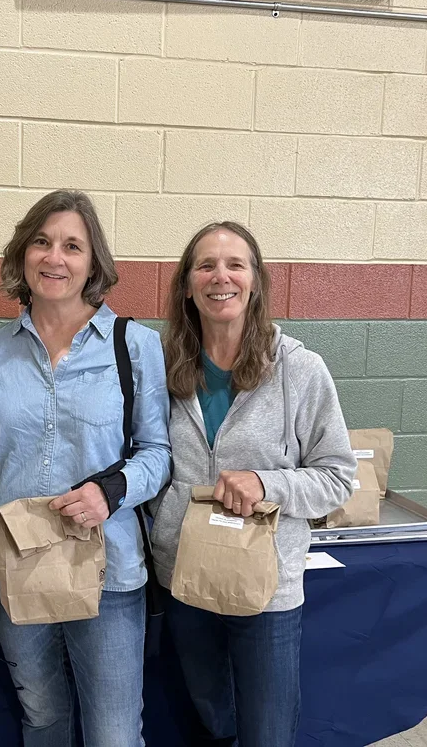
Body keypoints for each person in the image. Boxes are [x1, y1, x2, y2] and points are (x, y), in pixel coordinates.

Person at [0, 190, 172, 747]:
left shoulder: (135, 346)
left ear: (93, 262)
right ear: (23, 255)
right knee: (44, 720)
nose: (56, 258)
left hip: (109, 572)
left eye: (73, 246)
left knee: (115, 735)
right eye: (42, 242)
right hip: (15, 571)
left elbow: (158, 453)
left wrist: (112, 490)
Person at [149, 222, 356, 747]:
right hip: (185, 578)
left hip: (266, 589)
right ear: (187, 284)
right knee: (212, 722)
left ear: (256, 281)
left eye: (235, 264)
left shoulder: (301, 371)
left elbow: (337, 477)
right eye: (206, 265)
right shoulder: (161, 367)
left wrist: (267, 484)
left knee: (266, 732)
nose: (221, 277)